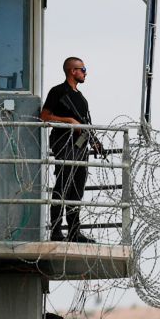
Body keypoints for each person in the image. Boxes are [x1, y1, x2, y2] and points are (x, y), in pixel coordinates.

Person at [41, 56, 103, 242]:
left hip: (81, 146)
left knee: (77, 188)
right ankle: (56, 230)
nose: (85, 73)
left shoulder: (80, 98)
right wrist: (68, 121)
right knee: (63, 185)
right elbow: (44, 117)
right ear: (72, 71)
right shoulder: (58, 91)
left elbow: (85, 124)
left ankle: (74, 231)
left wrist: (94, 142)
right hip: (63, 143)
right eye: (83, 69)